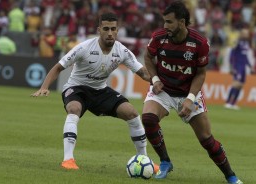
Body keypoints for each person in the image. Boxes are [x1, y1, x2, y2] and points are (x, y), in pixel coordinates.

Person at [31, 12, 158, 172]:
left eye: (113, 29)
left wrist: (158, 81)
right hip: (77, 88)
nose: (110, 33)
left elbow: (143, 73)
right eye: (106, 28)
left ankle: (144, 159)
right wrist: (44, 87)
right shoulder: (84, 48)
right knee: (74, 109)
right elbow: (58, 67)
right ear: (99, 29)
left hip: (100, 90)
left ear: (118, 30)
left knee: (132, 113)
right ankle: (68, 159)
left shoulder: (122, 51)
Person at [141, 1, 243, 184]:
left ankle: (230, 176)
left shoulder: (199, 43)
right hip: (163, 89)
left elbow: (201, 74)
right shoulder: (159, 37)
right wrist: (154, 79)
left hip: (188, 92)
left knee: (206, 139)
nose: (165, 26)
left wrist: (189, 99)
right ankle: (165, 162)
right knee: (148, 118)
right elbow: (148, 57)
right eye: (164, 21)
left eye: (169, 22)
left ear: (182, 22)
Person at [224, 28, 255, 110]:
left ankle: (233, 103)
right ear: (241, 34)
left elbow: (245, 57)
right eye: (245, 33)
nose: (247, 35)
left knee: (240, 86)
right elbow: (232, 55)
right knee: (235, 84)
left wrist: (250, 66)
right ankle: (228, 102)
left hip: (243, 67)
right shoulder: (237, 42)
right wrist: (232, 67)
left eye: (247, 33)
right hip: (237, 66)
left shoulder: (246, 43)